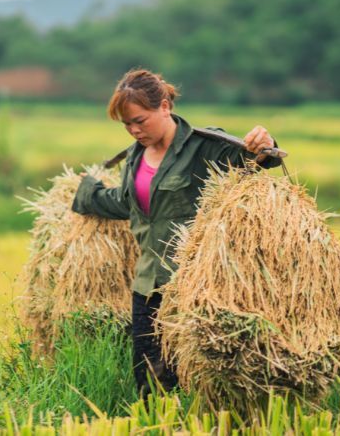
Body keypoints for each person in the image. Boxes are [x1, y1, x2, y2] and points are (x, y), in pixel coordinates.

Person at [71, 68, 282, 397]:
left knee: (188, 379)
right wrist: (85, 192)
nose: (134, 130)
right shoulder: (135, 157)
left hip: (189, 286)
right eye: (127, 124)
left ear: (165, 106)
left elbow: (253, 160)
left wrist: (264, 145)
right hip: (146, 285)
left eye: (140, 120)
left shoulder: (203, 147)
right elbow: (128, 204)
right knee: (147, 382)